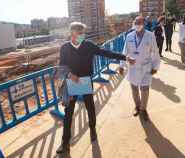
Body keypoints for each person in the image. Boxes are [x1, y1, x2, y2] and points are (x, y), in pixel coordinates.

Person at [56, 22, 135, 155]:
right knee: (68, 113)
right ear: (72, 33)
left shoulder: (88, 45)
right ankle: (65, 143)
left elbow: (106, 52)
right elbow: (62, 66)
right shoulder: (64, 48)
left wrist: (124, 57)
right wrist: (70, 74)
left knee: (90, 107)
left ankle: (92, 129)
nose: (82, 35)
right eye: (79, 32)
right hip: (71, 83)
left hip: (86, 81)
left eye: (83, 33)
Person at [119, 16, 161, 121]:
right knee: (134, 89)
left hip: (146, 67)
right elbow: (125, 51)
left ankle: (143, 109)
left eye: (139, 22)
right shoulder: (129, 36)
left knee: (145, 89)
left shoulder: (150, 36)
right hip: (133, 68)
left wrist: (155, 66)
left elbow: (155, 52)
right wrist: (121, 65)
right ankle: (137, 106)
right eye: (135, 22)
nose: (137, 24)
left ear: (144, 23)